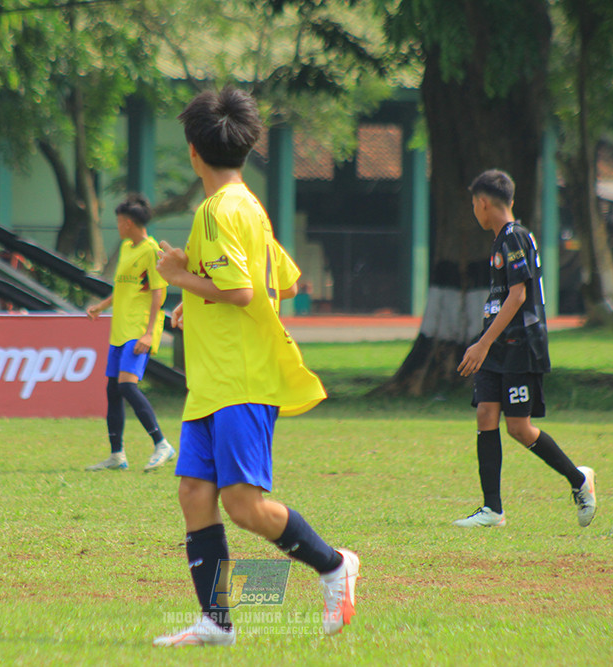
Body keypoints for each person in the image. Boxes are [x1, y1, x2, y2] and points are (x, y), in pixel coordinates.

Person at [152, 86, 358, 647]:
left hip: (239, 380)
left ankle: (334, 564)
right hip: (214, 380)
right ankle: (216, 624)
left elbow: (240, 291)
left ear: (195, 150)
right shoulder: (249, 208)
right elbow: (284, 281)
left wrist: (178, 278)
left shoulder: (218, 211)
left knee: (243, 506)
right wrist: (194, 299)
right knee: (195, 492)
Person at [455, 169, 596, 529]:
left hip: (519, 346)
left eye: (474, 204)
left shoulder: (514, 237)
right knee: (486, 414)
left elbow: (518, 295)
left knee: (519, 427)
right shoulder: (501, 239)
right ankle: (493, 510)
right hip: (497, 346)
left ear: (484, 204)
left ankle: (579, 480)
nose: (475, 210)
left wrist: (482, 344)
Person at [84, 193, 175, 473]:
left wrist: (149, 334)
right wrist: (102, 305)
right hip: (120, 329)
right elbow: (124, 287)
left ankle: (162, 444)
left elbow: (159, 292)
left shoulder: (150, 251)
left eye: (120, 221)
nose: (119, 226)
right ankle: (117, 455)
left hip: (139, 329)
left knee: (126, 386)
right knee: (113, 390)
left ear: (129, 222)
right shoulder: (126, 248)